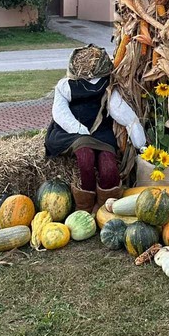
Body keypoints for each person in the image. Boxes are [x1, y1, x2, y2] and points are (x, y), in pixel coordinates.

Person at [45, 44, 146, 212]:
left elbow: (121, 111)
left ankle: (105, 208)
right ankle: (85, 207)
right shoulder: (66, 86)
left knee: (108, 167)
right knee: (85, 158)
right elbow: (60, 113)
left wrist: (139, 142)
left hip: (101, 133)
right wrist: (77, 128)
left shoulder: (107, 87)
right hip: (74, 133)